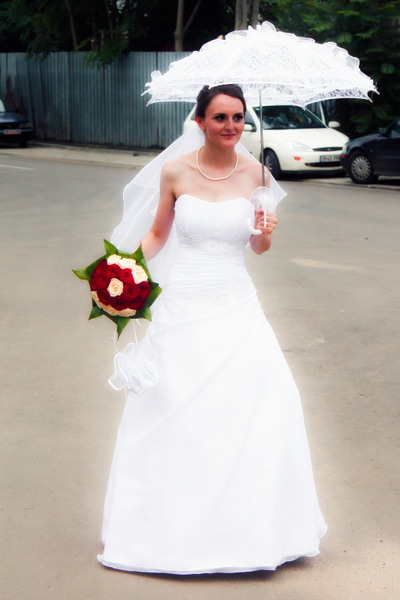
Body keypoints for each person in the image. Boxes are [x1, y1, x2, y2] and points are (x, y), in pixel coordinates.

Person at [97, 84, 327, 575]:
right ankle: (167, 532)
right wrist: (122, 270)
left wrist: (265, 231)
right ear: (200, 121)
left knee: (249, 409)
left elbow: (257, 248)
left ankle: (247, 534)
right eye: (220, 117)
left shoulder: (258, 174)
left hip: (235, 304)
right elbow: (158, 233)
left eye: (238, 117)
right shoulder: (176, 171)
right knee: (174, 408)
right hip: (182, 302)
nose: (231, 126)